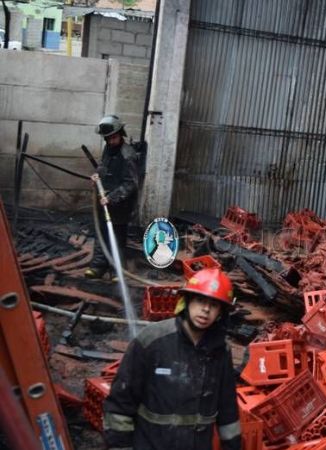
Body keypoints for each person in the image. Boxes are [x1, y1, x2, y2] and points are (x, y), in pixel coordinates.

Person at [103, 268, 242, 450]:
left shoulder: (220, 351)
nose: (206, 310)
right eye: (200, 300)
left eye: (214, 305)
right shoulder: (152, 341)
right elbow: (121, 403)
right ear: (187, 301)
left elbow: (228, 410)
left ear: (221, 313)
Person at [85, 115, 140, 279]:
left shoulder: (128, 155)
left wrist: (112, 198)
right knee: (101, 232)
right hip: (104, 200)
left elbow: (130, 183)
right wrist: (96, 176)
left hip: (120, 204)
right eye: (107, 139)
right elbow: (103, 166)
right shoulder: (109, 148)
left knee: (116, 236)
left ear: (120, 133)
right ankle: (98, 267)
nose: (110, 142)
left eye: (113, 138)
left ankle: (118, 270)